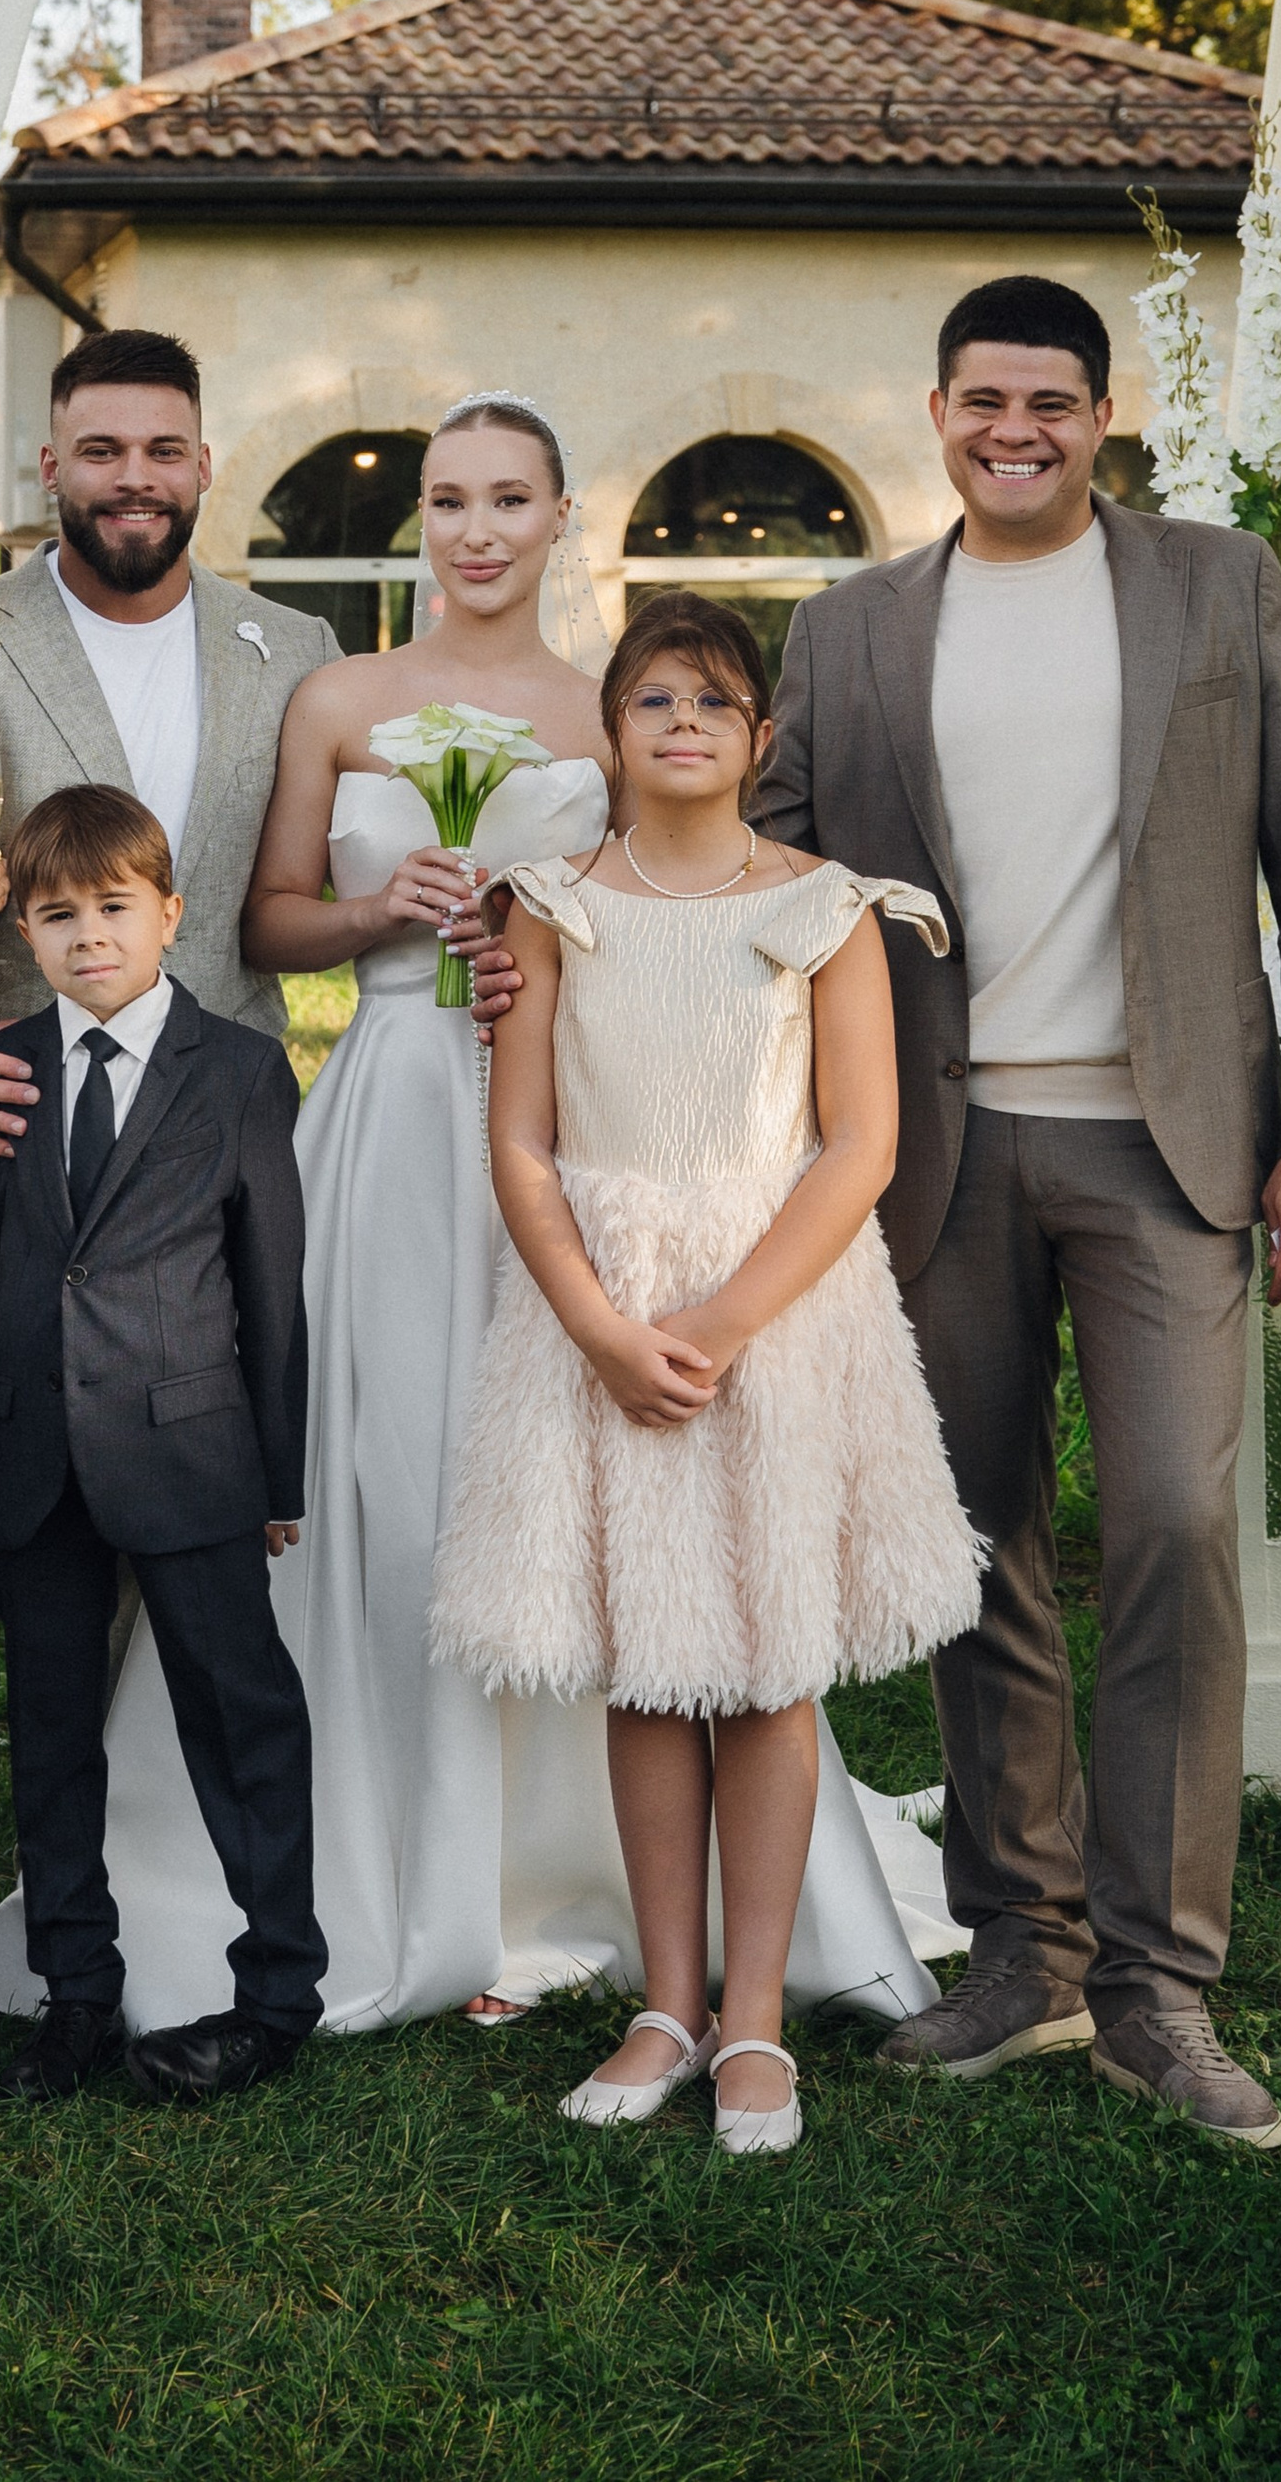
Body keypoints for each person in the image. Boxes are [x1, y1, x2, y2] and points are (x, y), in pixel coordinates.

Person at [757, 273, 1281, 2153]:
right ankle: (1020, 1953)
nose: (1012, 430)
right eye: (980, 402)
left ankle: (1159, 1988)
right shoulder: (853, 627)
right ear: (933, 413)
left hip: (1168, 1145)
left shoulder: (1214, 584)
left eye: (1049, 402)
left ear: (1099, 418)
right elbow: (761, 867)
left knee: (1178, 1525)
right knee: (979, 1551)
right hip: (935, 1153)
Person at [430, 592, 985, 2157]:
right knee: (646, 1656)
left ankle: (755, 2016)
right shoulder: (551, 904)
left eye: (716, 702)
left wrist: (730, 1319)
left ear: (760, 739)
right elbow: (522, 1137)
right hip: (597, 1302)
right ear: (609, 732)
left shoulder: (823, 908)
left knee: (765, 1661)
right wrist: (605, 1327)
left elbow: (861, 1141)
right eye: (653, 698)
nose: (683, 721)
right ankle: (666, 2000)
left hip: (778, 1308)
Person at [103, 392, 618, 2031]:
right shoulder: (343, 696)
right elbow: (257, 925)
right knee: (384, 1448)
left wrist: (543, 947)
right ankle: (358, 1839)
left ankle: (554, 1858)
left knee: (548, 1449)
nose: (475, 530)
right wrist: (379, 910)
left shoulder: (611, 707)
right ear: (424, 525)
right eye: (449, 500)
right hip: (394, 1103)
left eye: (508, 500)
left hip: (559, 1109)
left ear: (558, 517)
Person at [0, 328, 340, 2034]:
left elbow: (296, 892)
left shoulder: (295, 649)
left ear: (204, 464)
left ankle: (213, 1898)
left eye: (162, 449)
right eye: (98, 449)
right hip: (7, 1151)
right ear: (48, 468)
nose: (132, 476)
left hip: (208, 1147)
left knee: (202, 1552)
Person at [0, 783, 324, 2102]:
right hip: (32, 1461)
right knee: (51, 1729)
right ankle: (76, 1993)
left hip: (190, 1454)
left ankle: (278, 1990)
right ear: (29, 937)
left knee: (243, 1717)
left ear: (168, 914)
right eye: (57, 916)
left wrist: (274, 1473)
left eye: (113, 908)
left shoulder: (236, 1071)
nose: (88, 936)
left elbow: (269, 1281)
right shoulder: (2, 1061)